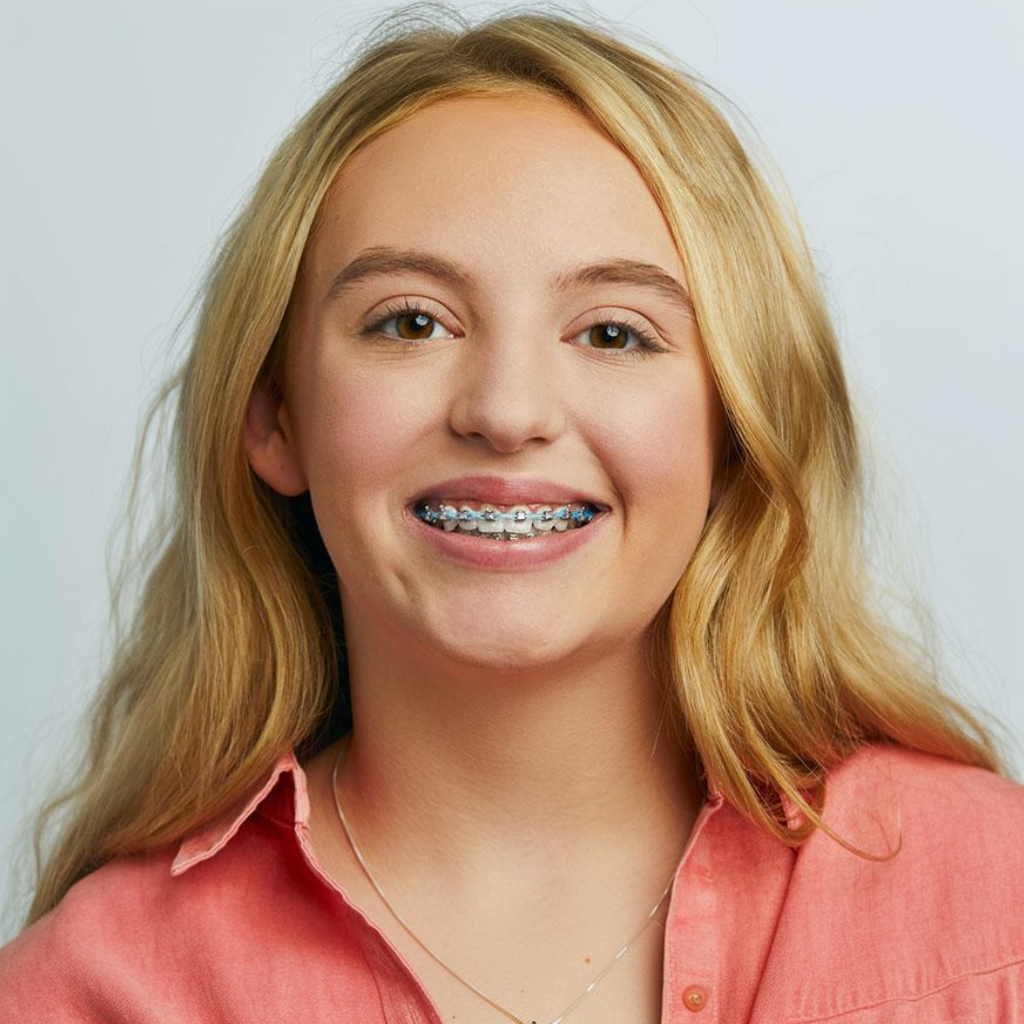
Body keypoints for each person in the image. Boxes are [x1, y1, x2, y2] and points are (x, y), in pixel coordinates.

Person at [1, 4, 1021, 1022]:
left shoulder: (995, 907)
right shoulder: (80, 994)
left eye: (614, 332)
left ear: (734, 426)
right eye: (411, 321)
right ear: (273, 415)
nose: (506, 411)